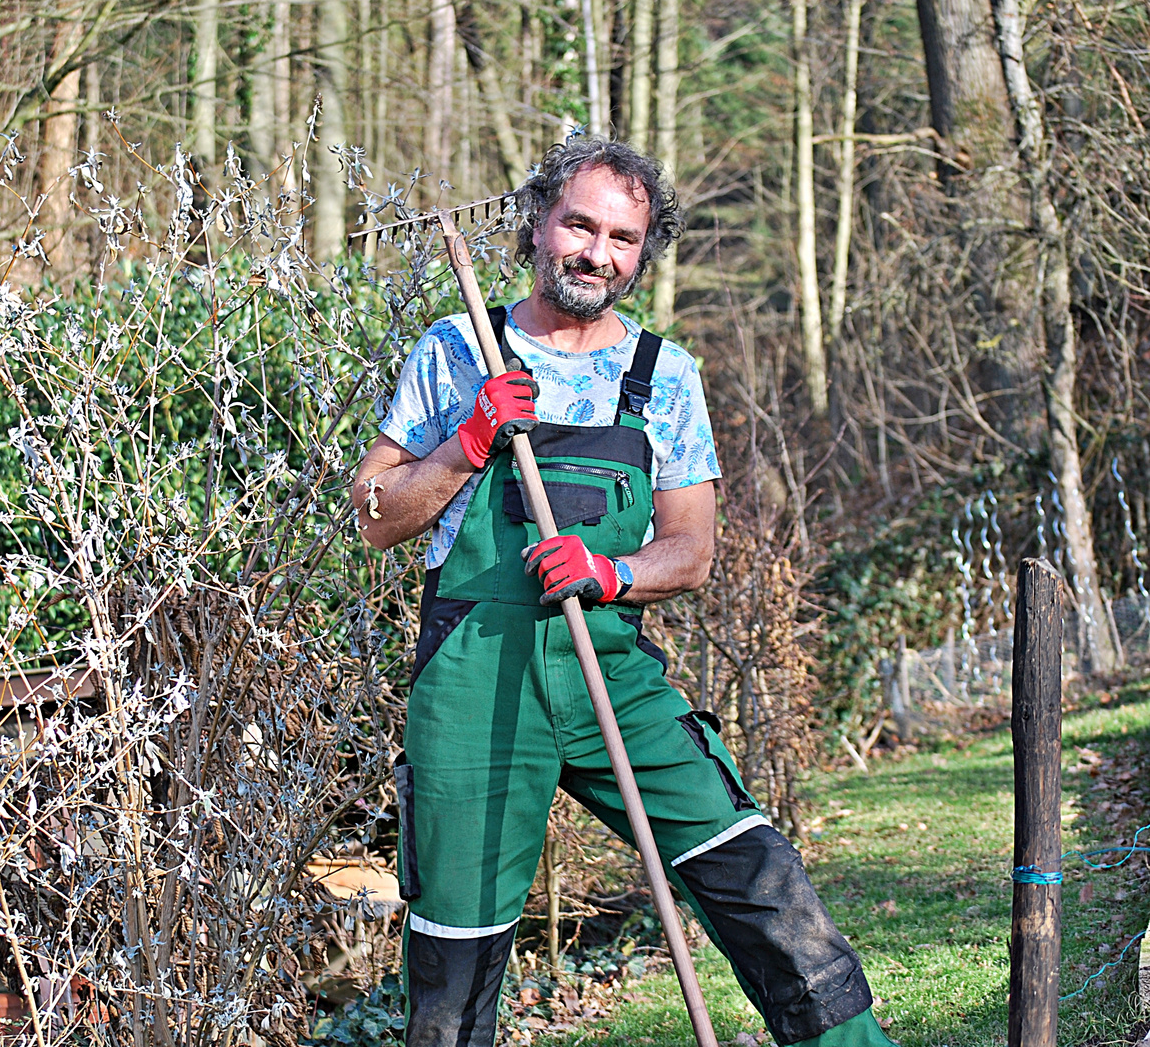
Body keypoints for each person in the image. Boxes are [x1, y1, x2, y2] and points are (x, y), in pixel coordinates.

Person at [351, 136, 894, 1047]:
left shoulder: (663, 377)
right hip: (474, 690)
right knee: (455, 954)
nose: (596, 252)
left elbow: (690, 552)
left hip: (612, 668)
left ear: (643, 252)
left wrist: (612, 573)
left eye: (622, 237)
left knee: (760, 881)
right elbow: (374, 515)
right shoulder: (454, 352)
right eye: (579, 224)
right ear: (535, 224)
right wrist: (466, 442)